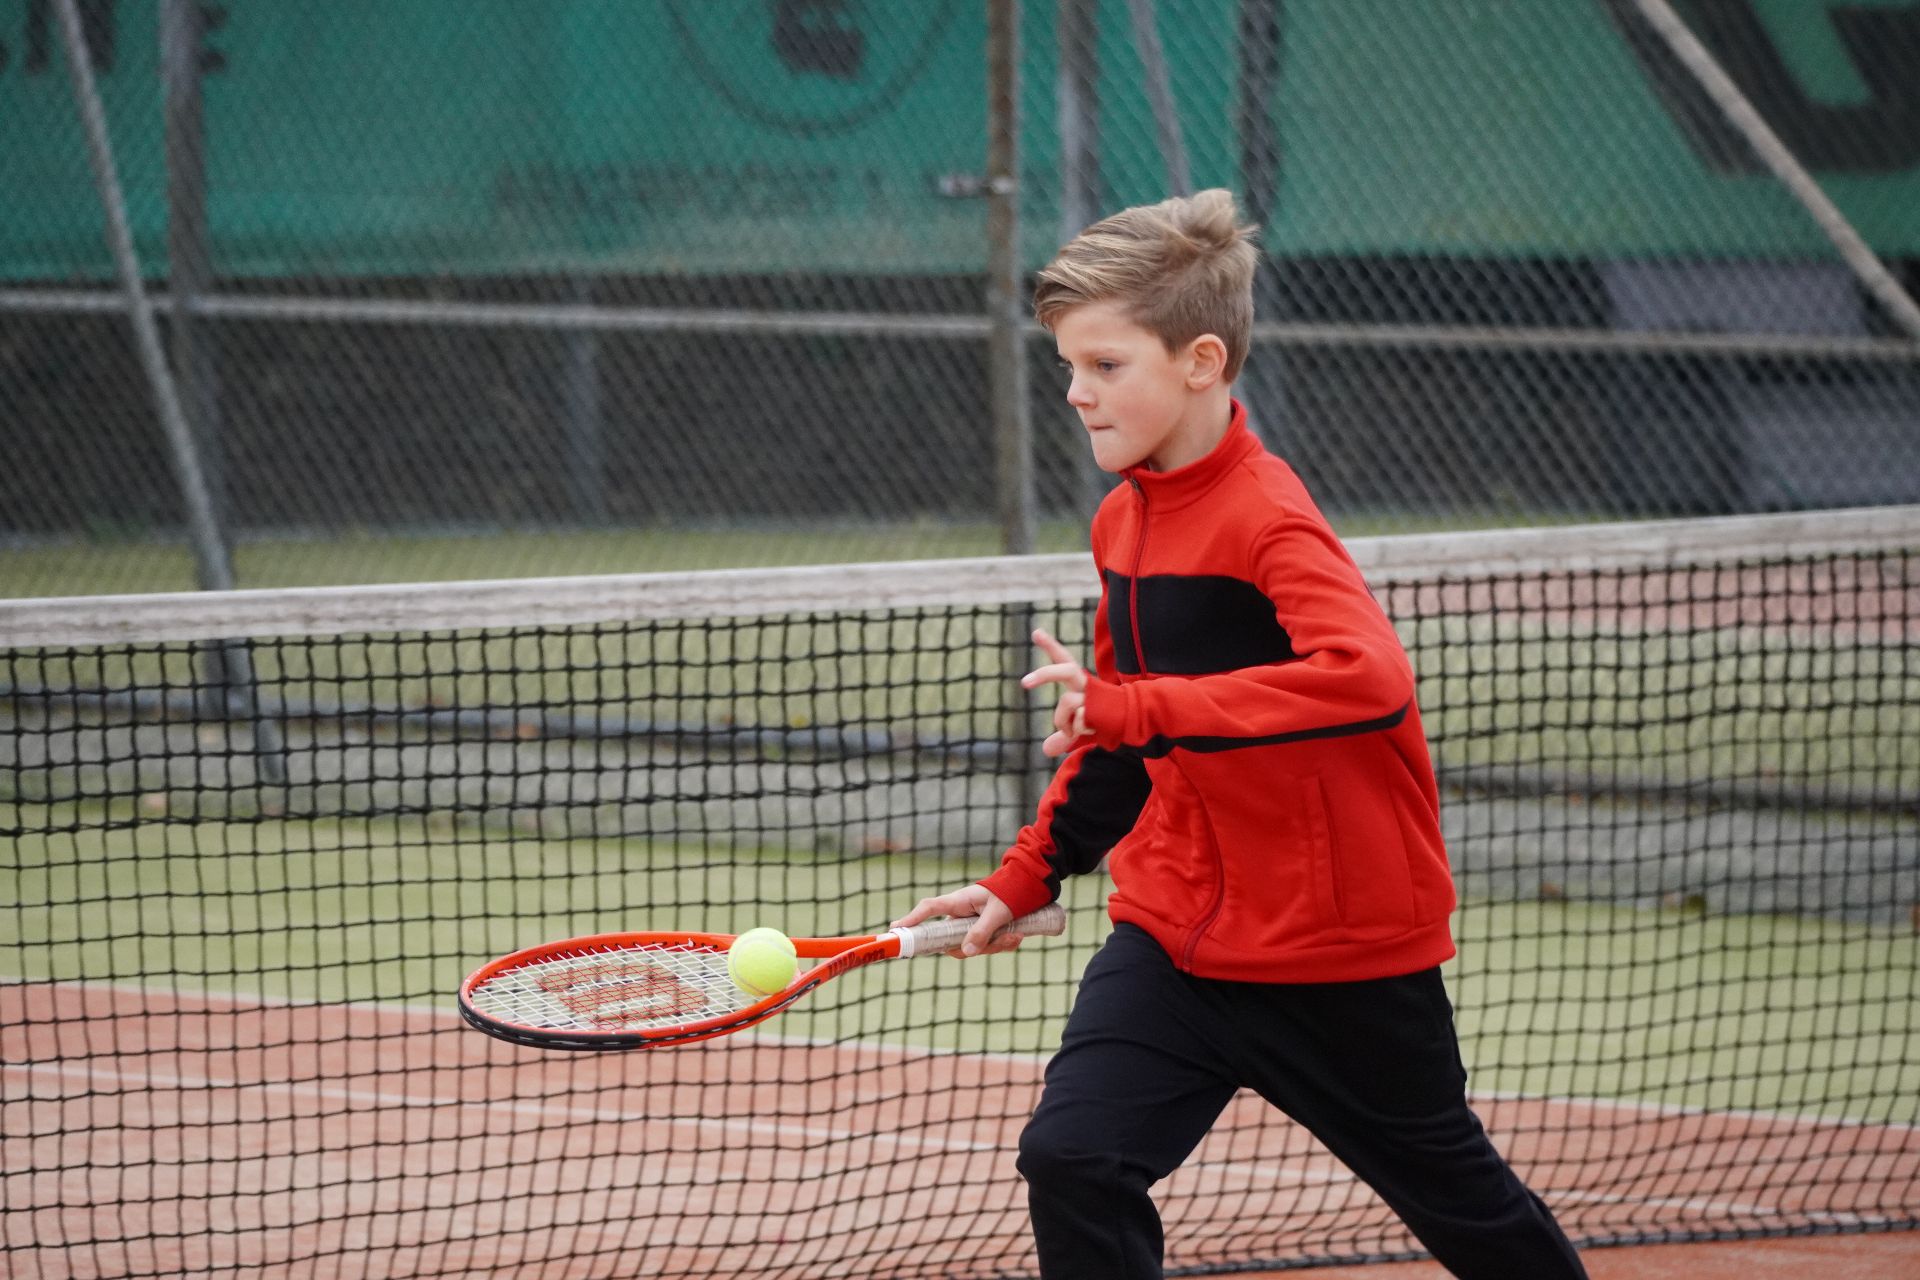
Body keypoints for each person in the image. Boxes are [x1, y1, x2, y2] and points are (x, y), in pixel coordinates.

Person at [891, 190, 1587, 1280]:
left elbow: (1366, 676)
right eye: (1068, 365)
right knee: (1073, 1156)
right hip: (1173, 942)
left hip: (1338, 960)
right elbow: (1120, 734)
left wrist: (1136, 707)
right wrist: (1025, 876)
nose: (1076, 391)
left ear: (1201, 361)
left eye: (1106, 364)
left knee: (1472, 1214)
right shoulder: (1122, 519)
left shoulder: (1269, 515)